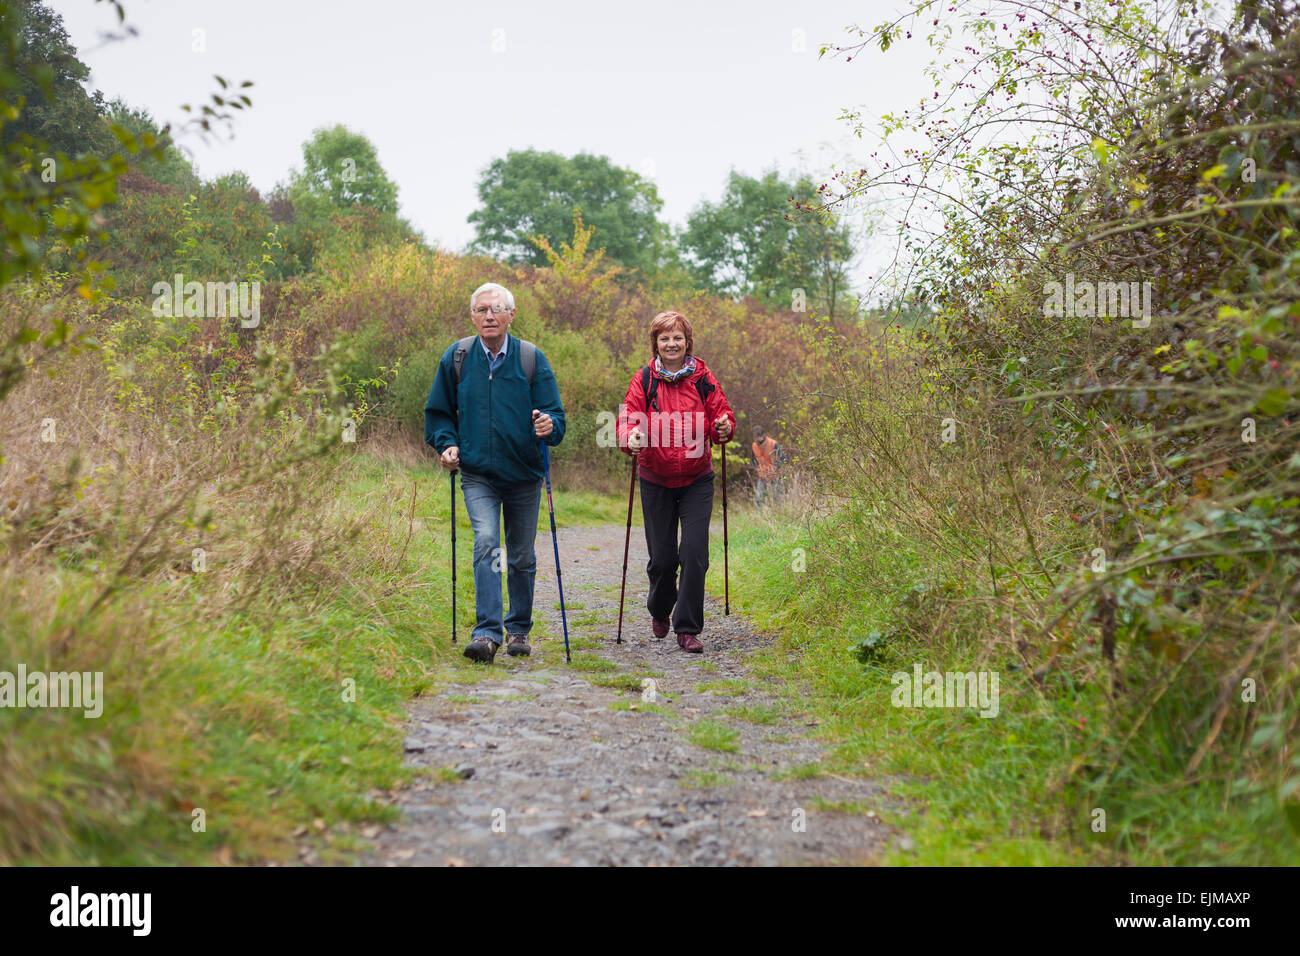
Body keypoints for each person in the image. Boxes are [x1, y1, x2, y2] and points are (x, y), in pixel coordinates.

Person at [425, 282, 566, 663]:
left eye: (496, 309)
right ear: (472, 315)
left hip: (523, 474)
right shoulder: (456, 357)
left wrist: (548, 425)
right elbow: (438, 413)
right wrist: (447, 444)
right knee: (487, 543)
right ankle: (487, 633)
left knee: (520, 555)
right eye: (481, 309)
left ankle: (518, 629)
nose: (489, 315)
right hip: (477, 474)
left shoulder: (531, 359)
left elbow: (557, 417)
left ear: (511, 315)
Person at [617, 311, 735, 653]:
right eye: (664, 338)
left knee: (695, 552)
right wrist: (631, 436)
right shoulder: (644, 379)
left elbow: (721, 416)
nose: (671, 344)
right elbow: (627, 417)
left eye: (677, 338)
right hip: (655, 477)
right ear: (656, 343)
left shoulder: (703, 377)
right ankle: (658, 607)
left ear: (688, 342)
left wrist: (724, 427)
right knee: (663, 560)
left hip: (698, 477)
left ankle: (687, 629)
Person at [750, 425, 789, 505]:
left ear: (764, 434)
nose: (759, 439)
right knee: (759, 499)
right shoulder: (754, 446)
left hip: (775, 475)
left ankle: (779, 512)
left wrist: (775, 468)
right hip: (762, 476)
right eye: (757, 436)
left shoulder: (773, 444)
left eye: (760, 436)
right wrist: (757, 468)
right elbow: (753, 459)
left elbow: (783, 458)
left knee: (778, 499)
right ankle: (759, 515)